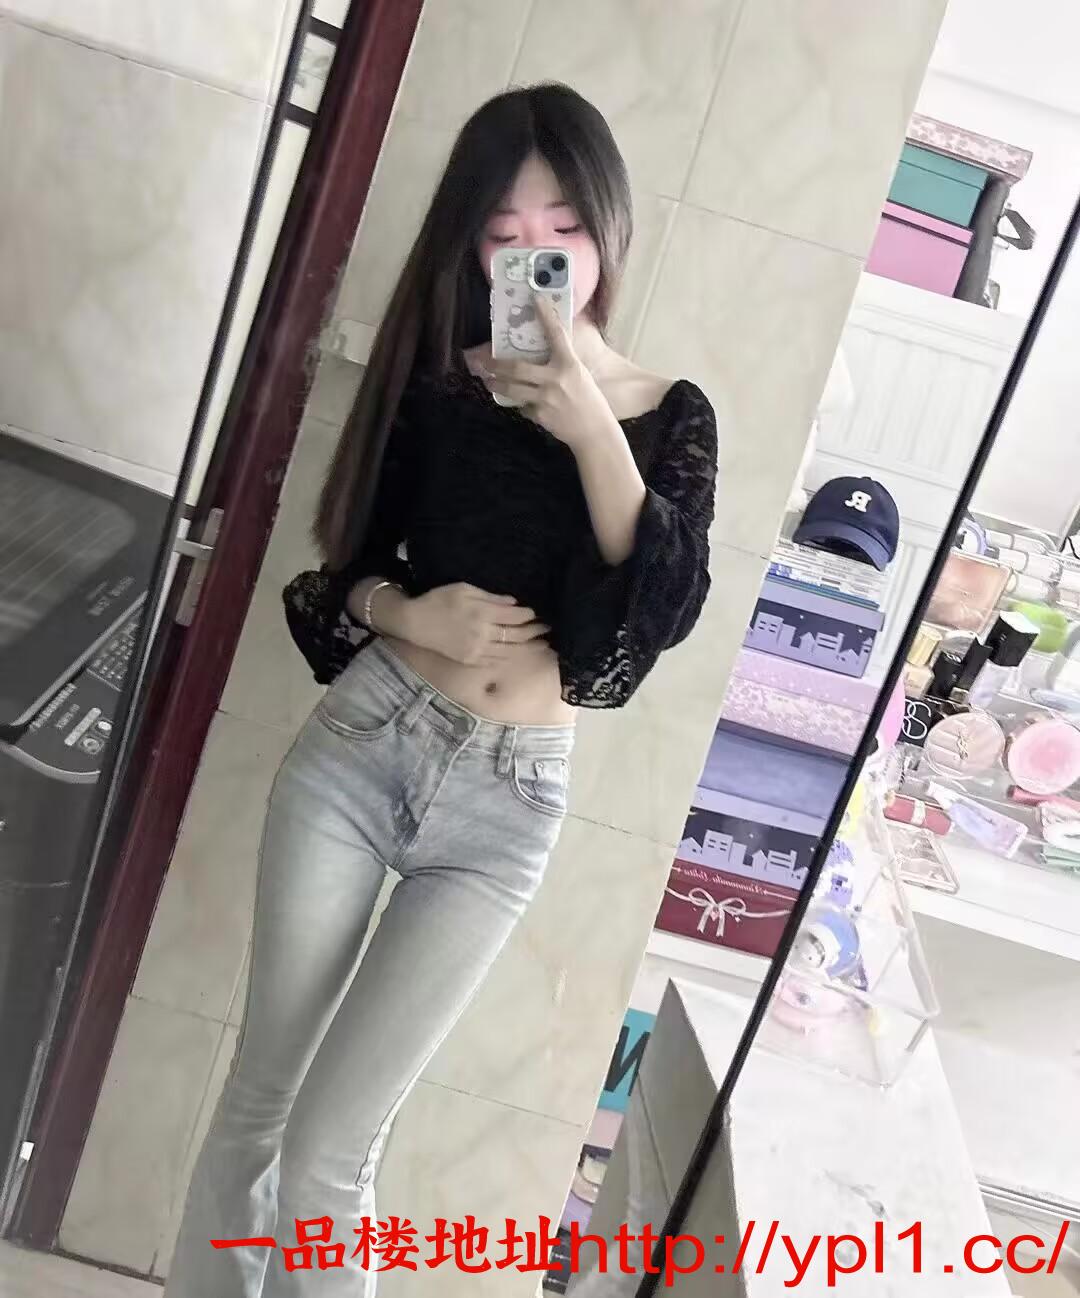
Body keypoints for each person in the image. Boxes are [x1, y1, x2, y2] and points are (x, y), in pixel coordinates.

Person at [164, 82, 718, 1298]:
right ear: (471, 245)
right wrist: (407, 612)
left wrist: (591, 426)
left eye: (563, 227)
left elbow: (644, 630)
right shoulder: (437, 384)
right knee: (259, 1100)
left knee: (331, 1144)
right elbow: (340, 575)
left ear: (611, 228)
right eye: (504, 232)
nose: (537, 255)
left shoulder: (666, 416)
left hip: (506, 805)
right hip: (363, 746)